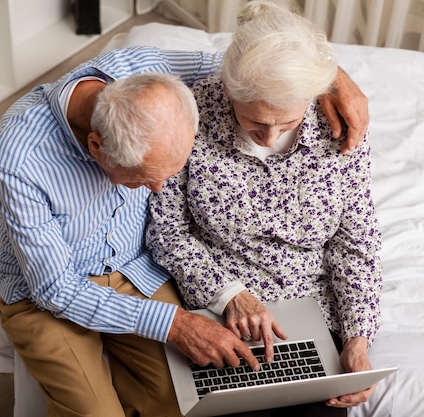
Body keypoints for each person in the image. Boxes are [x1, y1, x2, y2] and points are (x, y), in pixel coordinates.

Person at [0, 42, 370, 417]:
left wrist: (335, 79)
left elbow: (254, 64)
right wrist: (174, 324)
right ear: (95, 145)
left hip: (136, 270)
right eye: (141, 180)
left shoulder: (143, 68)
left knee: (196, 400)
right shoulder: (20, 158)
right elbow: (56, 289)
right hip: (49, 295)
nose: (158, 192)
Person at [146, 2, 382, 416]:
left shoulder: (342, 130)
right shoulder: (188, 118)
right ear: (227, 90)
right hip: (219, 314)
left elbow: (355, 243)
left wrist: (357, 341)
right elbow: (168, 233)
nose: (271, 136)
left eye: (287, 123)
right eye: (255, 122)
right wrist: (229, 295)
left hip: (311, 310)